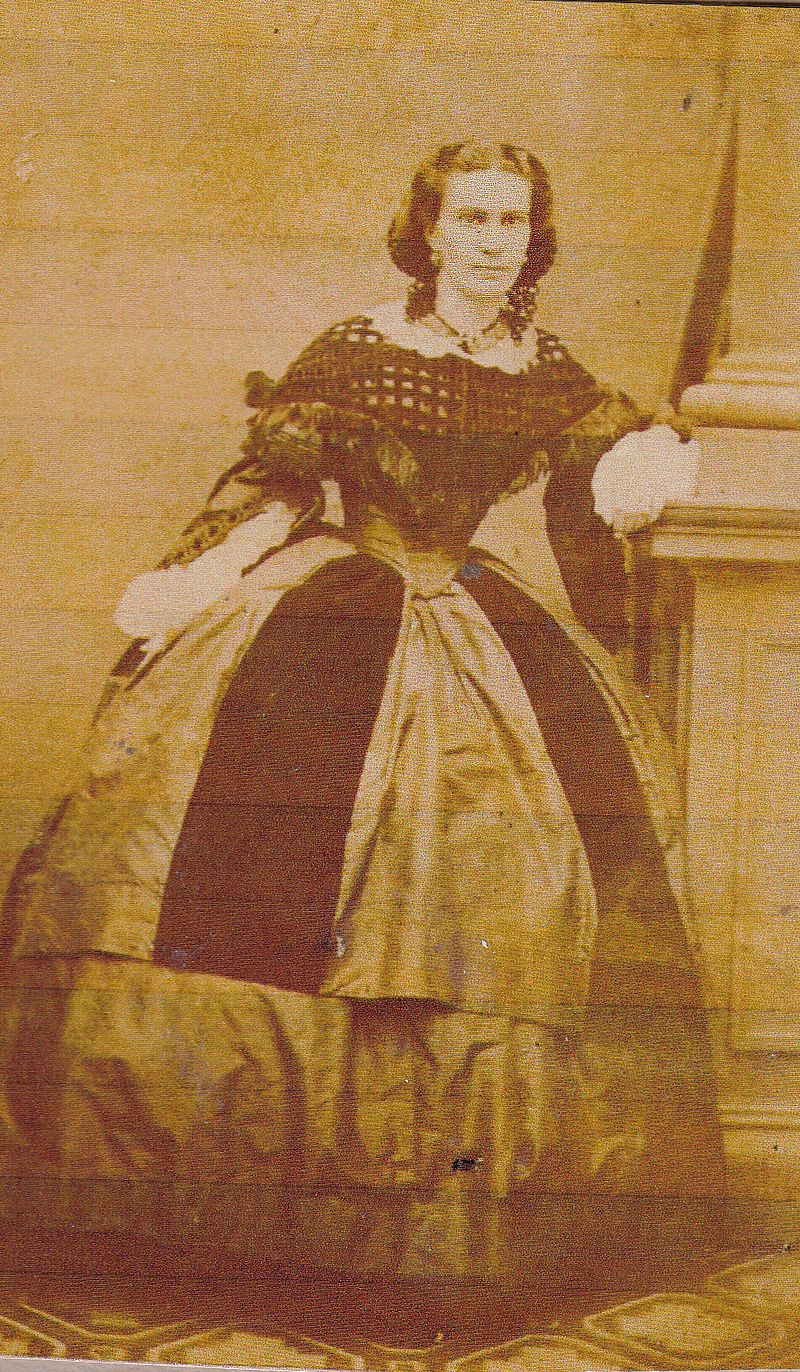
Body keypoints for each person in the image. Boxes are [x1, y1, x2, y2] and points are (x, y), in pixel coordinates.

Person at [0, 141, 724, 1346]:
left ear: (533, 238)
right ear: (428, 233)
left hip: (478, 624)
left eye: (511, 220)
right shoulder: (356, 350)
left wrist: (629, 524)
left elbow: (583, 507)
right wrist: (188, 587)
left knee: (511, 892)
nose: (490, 241)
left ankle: (443, 1233)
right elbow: (273, 490)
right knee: (245, 867)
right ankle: (216, 1212)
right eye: (469, 219)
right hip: (328, 622)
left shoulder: (544, 368)